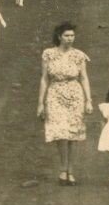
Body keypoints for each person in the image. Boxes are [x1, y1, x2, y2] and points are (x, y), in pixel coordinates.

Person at [38, 22, 93, 185]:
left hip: (75, 94)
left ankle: (71, 170)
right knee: (60, 133)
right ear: (59, 37)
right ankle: (63, 169)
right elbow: (44, 78)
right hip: (55, 93)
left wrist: (88, 100)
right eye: (66, 36)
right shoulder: (48, 54)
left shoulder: (79, 55)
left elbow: (84, 78)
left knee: (73, 134)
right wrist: (40, 103)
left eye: (72, 36)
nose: (70, 39)